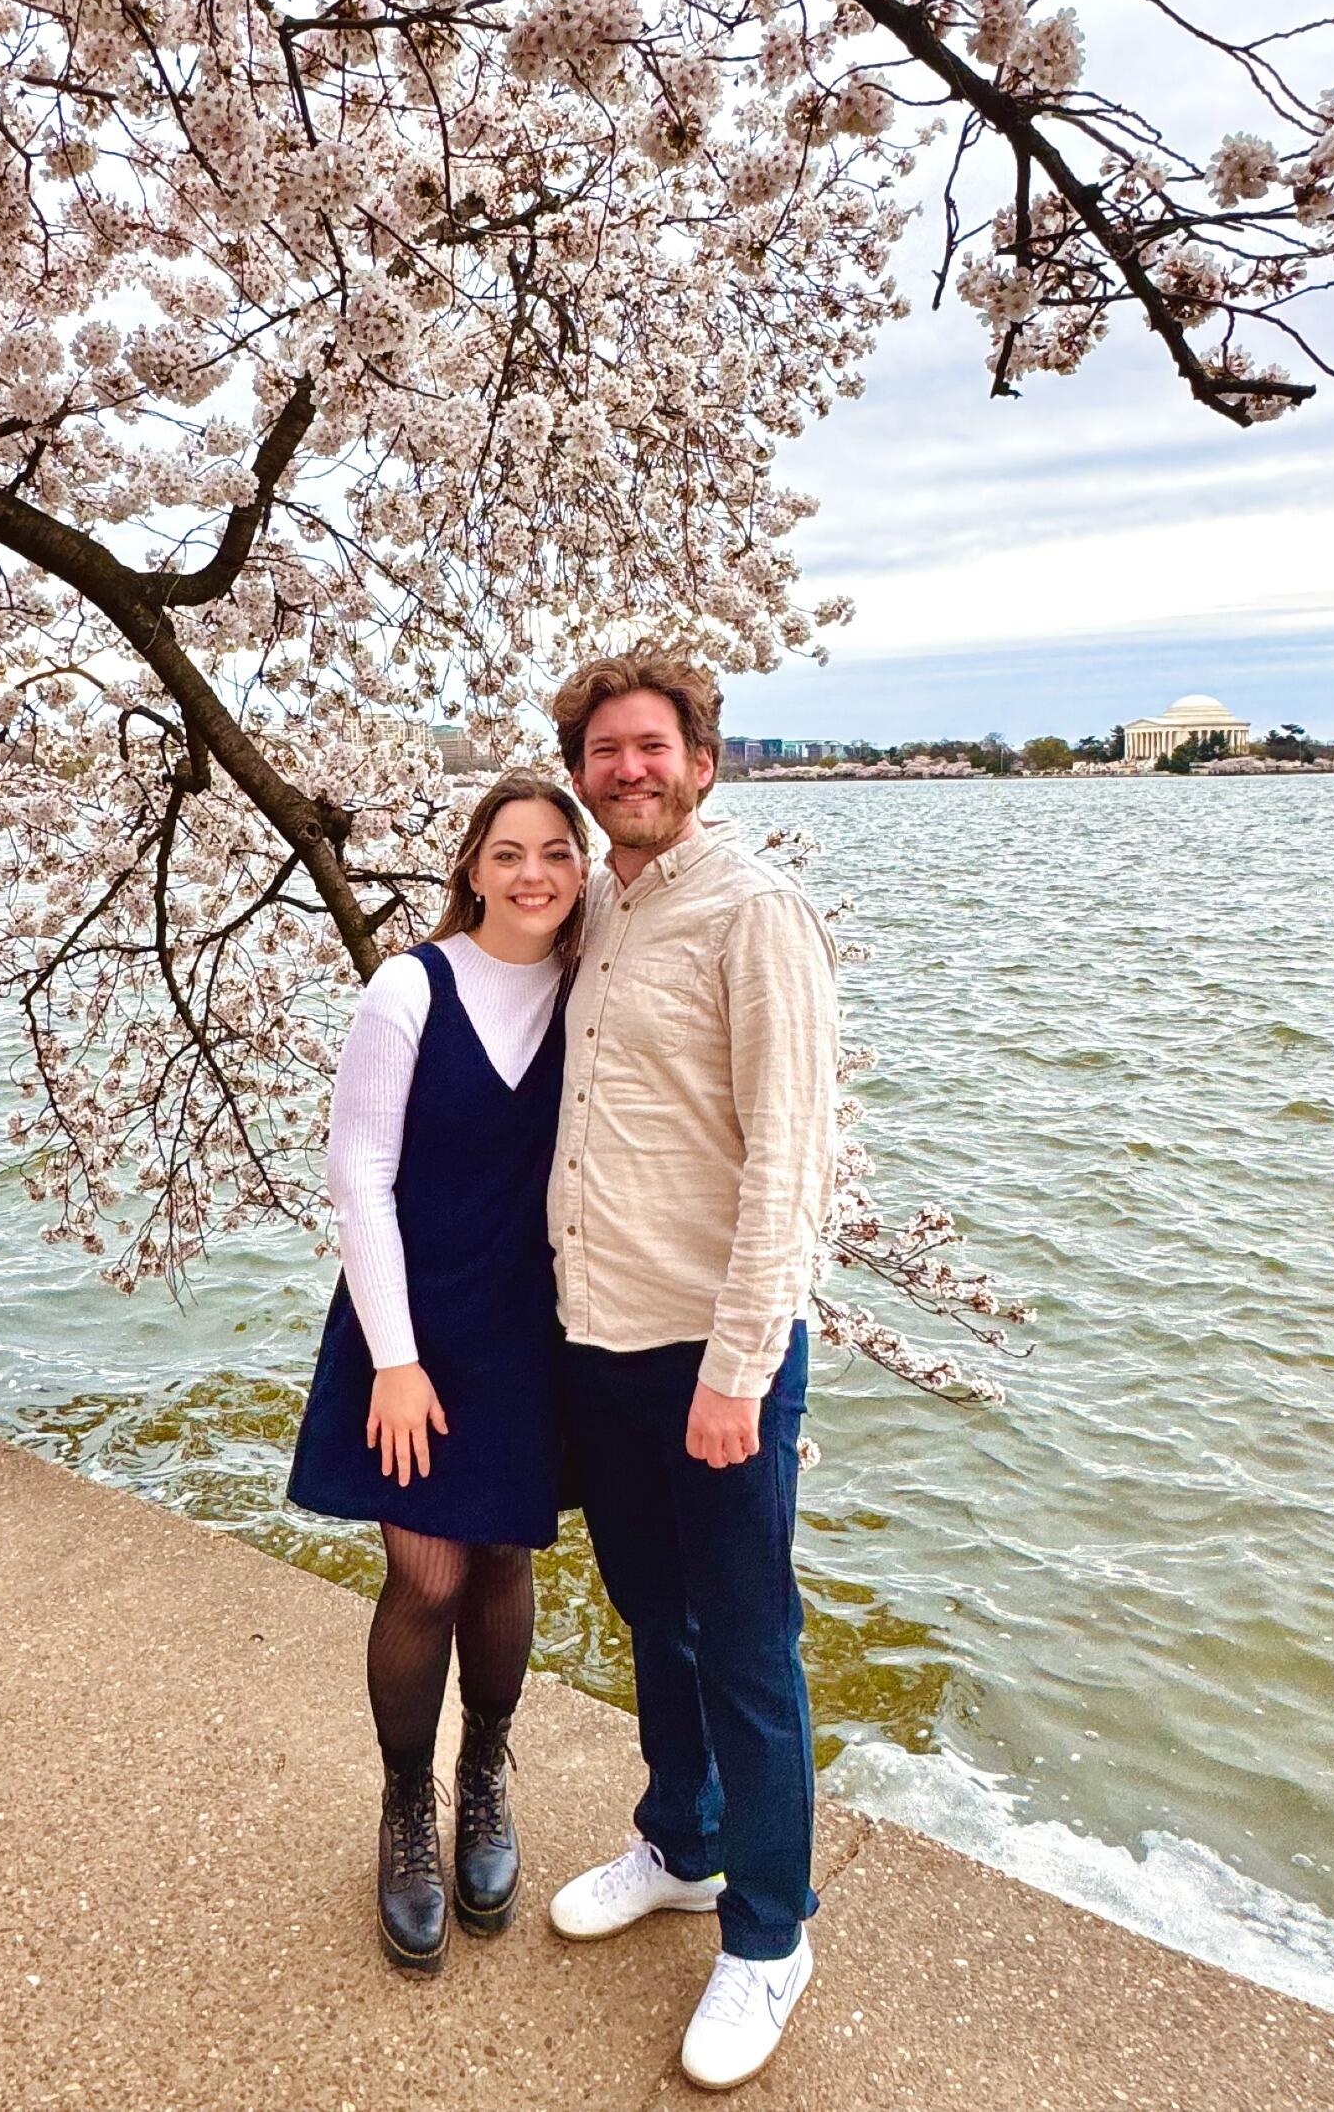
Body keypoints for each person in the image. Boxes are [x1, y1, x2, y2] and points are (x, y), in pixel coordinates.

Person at [543, 647, 839, 2092]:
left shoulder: (752, 910)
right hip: (595, 1344)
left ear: (701, 762)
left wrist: (738, 1368)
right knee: (649, 1620)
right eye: (601, 753)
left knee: (744, 1643)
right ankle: (680, 1840)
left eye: (648, 747)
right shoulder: (597, 907)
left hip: (711, 1358)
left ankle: (768, 1935)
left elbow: (789, 1159)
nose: (626, 771)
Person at [287, 774, 588, 1976]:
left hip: (532, 1324)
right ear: (470, 866)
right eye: (507, 852)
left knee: (504, 1552)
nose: (532, 874)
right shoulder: (410, 986)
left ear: (582, 871)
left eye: (556, 853)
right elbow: (357, 1174)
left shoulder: (586, 990)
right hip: (411, 1321)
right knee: (426, 1568)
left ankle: (485, 1776)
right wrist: (396, 1362)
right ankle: (406, 1804)